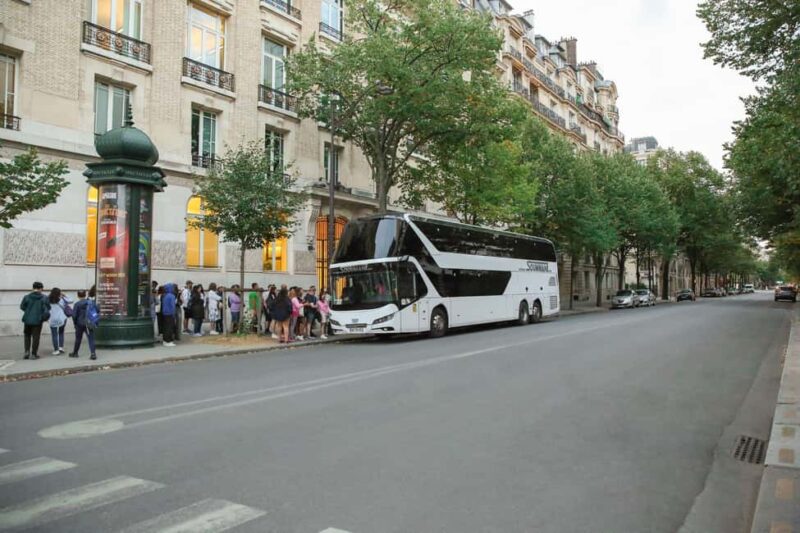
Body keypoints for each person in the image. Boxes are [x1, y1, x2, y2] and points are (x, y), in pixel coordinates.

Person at [20, 281, 50, 360]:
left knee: (27, 336)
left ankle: (26, 352)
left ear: (33, 288)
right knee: (36, 337)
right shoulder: (44, 298)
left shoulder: (26, 297)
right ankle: (34, 354)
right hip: (38, 320)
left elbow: (22, 307)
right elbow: (48, 308)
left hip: (27, 319)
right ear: (41, 288)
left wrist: (28, 311)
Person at [69, 290, 97, 360]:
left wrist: (75, 323)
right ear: (85, 295)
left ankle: (75, 353)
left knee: (78, 339)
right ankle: (93, 354)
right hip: (89, 323)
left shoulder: (77, 304)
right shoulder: (91, 303)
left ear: (78, 296)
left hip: (79, 324)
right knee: (91, 339)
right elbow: (96, 310)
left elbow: (74, 315)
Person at [47, 287, 71, 355]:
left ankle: (56, 350)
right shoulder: (61, 299)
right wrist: (65, 295)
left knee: (54, 334)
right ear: (59, 293)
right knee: (61, 332)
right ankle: (61, 347)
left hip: (52, 318)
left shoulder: (48, 300)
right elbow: (71, 300)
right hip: (62, 318)